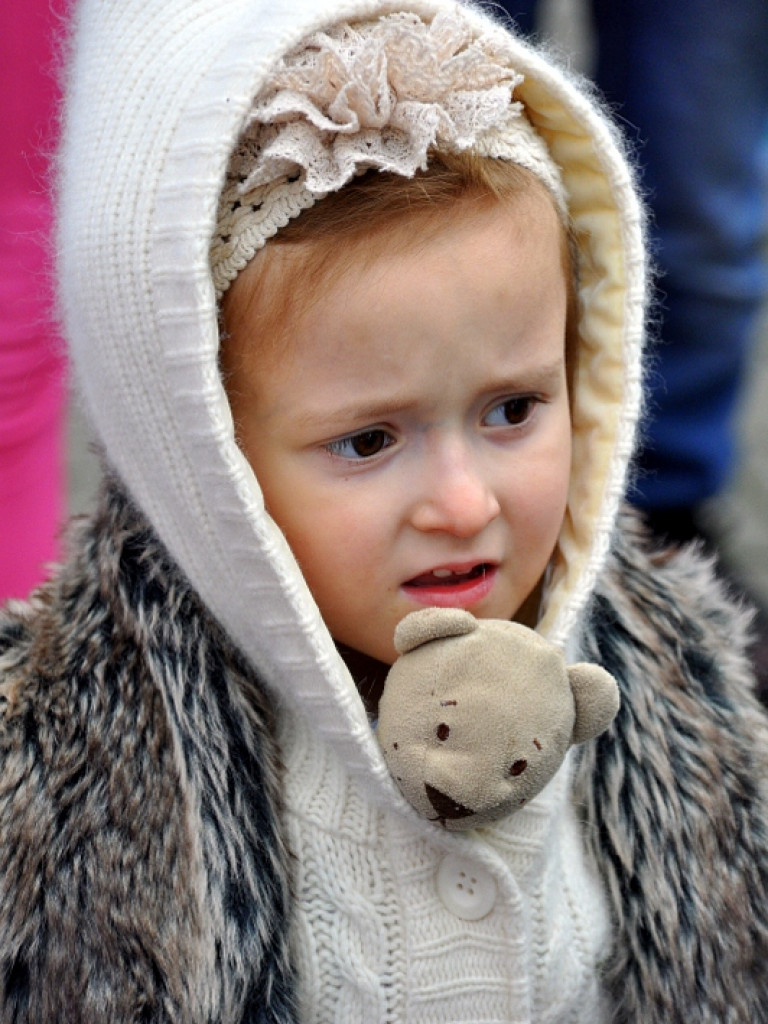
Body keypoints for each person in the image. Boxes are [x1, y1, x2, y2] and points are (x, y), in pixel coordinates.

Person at [1, 0, 767, 1021]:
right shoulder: (61, 803)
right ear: (202, 451)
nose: (464, 502)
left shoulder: (676, 700)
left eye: (513, 408)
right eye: (369, 440)